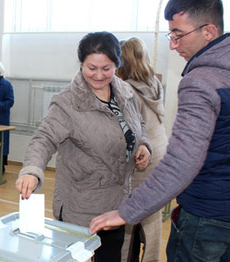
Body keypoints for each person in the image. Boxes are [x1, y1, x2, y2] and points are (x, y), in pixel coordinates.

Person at [89, 1, 230, 261]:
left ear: (209, 31)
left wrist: (125, 212)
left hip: (209, 214)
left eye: (178, 35)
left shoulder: (201, 81)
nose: (173, 44)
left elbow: (182, 163)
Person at [16, 32, 152, 262]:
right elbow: (44, 138)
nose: (99, 75)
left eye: (106, 68)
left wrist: (144, 146)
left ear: (117, 65)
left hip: (116, 204)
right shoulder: (67, 102)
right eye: (92, 68)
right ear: (81, 65)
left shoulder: (126, 93)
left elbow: (140, 125)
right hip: (80, 207)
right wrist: (31, 170)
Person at [116, 37, 168, 262]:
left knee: (128, 216)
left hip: (142, 157)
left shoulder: (126, 90)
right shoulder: (153, 83)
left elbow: (128, 134)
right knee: (150, 213)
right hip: (160, 150)